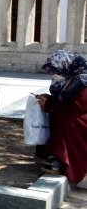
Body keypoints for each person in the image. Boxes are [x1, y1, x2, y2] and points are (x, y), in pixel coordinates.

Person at [34, 50, 87, 184]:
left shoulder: (82, 80)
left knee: (66, 120)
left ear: (65, 65)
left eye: (54, 70)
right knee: (55, 116)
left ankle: (63, 160)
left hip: (81, 118)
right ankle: (51, 154)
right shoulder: (67, 77)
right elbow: (63, 101)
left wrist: (50, 104)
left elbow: (78, 107)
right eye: (50, 71)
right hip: (73, 112)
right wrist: (48, 99)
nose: (52, 74)